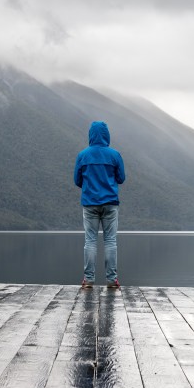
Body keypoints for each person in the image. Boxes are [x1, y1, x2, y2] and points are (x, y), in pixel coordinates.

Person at [74, 120, 125, 288]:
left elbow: (77, 180)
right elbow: (121, 178)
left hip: (89, 203)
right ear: (106, 135)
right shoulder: (115, 155)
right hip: (110, 203)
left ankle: (88, 279)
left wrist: (90, 186)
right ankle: (112, 280)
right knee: (110, 241)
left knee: (90, 241)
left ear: (91, 135)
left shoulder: (83, 155)